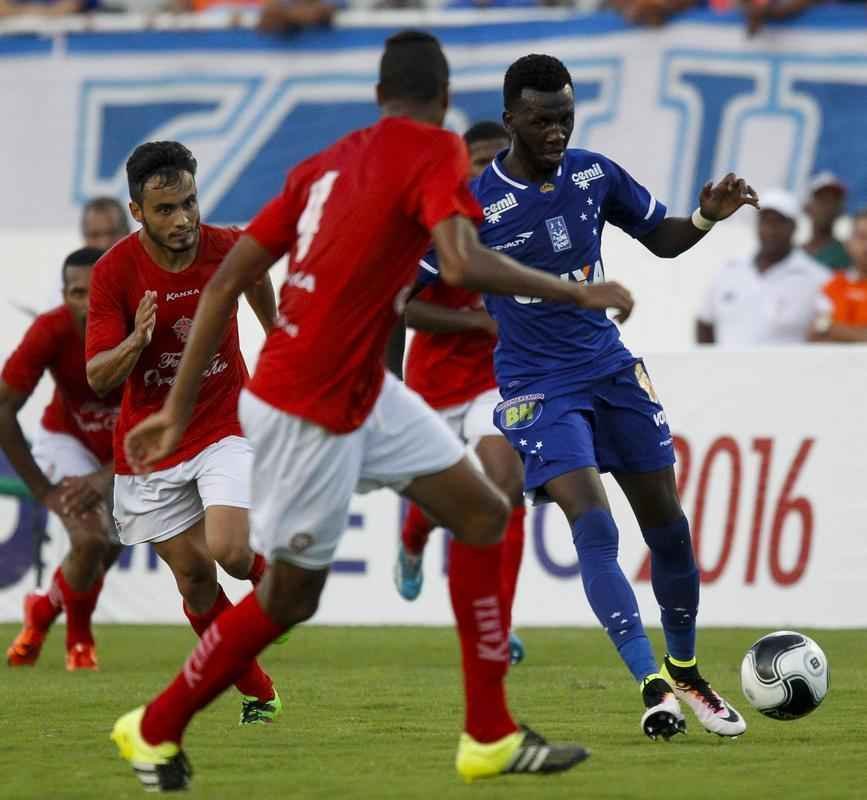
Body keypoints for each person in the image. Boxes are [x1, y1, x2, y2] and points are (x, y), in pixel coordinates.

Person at [109, 31, 637, 792]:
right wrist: (575, 289)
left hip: (359, 387)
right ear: (445, 100)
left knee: (486, 514)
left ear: (378, 97)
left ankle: (487, 732)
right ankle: (154, 726)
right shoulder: (434, 153)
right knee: (291, 596)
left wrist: (177, 406)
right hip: (306, 406)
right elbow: (458, 263)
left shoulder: (324, 163)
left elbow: (226, 282)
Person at [422, 54, 756, 739]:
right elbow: (408, 294)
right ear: (512, 117)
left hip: (608, 368)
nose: (556, 131)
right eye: (542, 119)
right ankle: (650, 683)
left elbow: (659, 241)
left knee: (667, 525)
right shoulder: (473, 202)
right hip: (535, 389)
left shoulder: (594, 174)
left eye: (566, 117)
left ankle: (686, 669)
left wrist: (703, 217)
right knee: (594, 527)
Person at [85, 141, 282, 727]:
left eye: (189, 203)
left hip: (224, 419)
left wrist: (274, 332)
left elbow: (256, 274)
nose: (183, 219)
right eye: (166, 209)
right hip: (150, 444)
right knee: (196, 579)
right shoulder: (114, 272)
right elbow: (98, 376)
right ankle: (260, 692)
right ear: (137, 212)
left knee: (228, 550)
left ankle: (280, 593)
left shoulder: (225, 245)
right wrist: (134, 344)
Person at [395, 120, 528, 666]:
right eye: (480, 161)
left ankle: (497, 624)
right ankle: (411, 541)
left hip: (495, 381)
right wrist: (475, 324)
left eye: (501, 159)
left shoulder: (526, 219)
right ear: (462, 168)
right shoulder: (442, 223)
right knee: (442, 499)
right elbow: (400, 305)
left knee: (506, 488)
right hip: (432, 385)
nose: (490, 170)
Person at [2, 247, 121, 671]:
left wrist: (107, 476)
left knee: (108, 548)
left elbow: (170, 417)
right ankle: (80, 640)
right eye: (77, 293)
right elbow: (3, 410)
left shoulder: (144, 330)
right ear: (63, 295)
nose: (88, 304)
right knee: (90, 540)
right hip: (67, 440)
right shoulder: (50, 330)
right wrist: (44, 491)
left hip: (129, 448)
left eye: (99, 292)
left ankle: (42, 610)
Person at [697, 189, 831, 345]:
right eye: (765, 221)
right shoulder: (729, 271)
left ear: (793, 227)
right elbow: (705, 322)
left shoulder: (818, 277)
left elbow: (828, 330)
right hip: (727, 369)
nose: (770, 230)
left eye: (778, 222)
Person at [813, 208, 867, 342]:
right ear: (848, 243)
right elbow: (816, 334)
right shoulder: (832, 285)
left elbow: (825, 328)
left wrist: (835, 329)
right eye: (862, 237)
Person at [803, 172, 851, 271]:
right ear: (807, 208)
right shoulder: (791, 253)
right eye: (822, 200)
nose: (827, 207)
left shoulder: (848, 256)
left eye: (834, 201)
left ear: (841, 210)